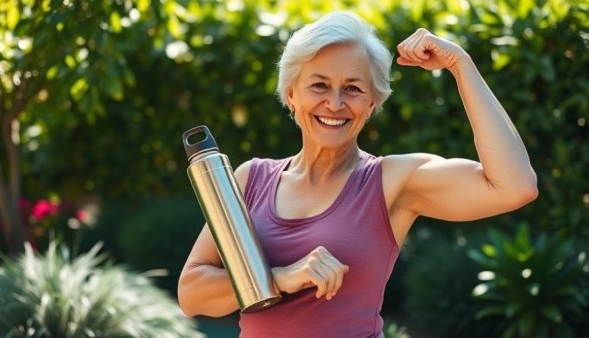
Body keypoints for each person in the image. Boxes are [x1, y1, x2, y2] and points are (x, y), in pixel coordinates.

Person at [177, 11, 538, 338]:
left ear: (372, 102)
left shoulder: (390, 181)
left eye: (352, 88)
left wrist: (461, 65)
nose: (335, 103)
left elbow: (514, 187)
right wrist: (281, 278)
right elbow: (191, 294)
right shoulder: (250, 179)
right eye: (319, 85)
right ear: (291, 93)